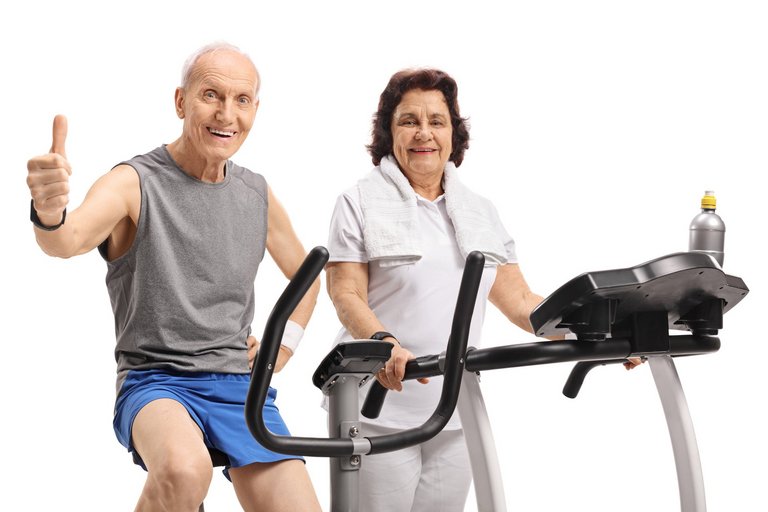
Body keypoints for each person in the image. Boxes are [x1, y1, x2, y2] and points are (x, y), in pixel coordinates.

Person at [325, 68, 641, 512]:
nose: (424, 133)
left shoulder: (478, 213)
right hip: (377, 409)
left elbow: (523, 303)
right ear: (387, 132)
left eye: (437, 121)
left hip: (456, 408)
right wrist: (382, 343)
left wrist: (599, 336)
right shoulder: (358, 202)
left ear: (454, 134)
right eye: (408, 121)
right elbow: (346, 293)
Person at [26, 42, 322, 512]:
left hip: (239, 388)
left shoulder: (256, 193)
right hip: (157, 383)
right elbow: (67, 240)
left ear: (255, 110)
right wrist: (49, 211)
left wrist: (281, 345)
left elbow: (308, 276)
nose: (227, 114)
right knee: (187, 470)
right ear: (181, 101)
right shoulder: (134, 181)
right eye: (211, 95)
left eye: (241, 100)